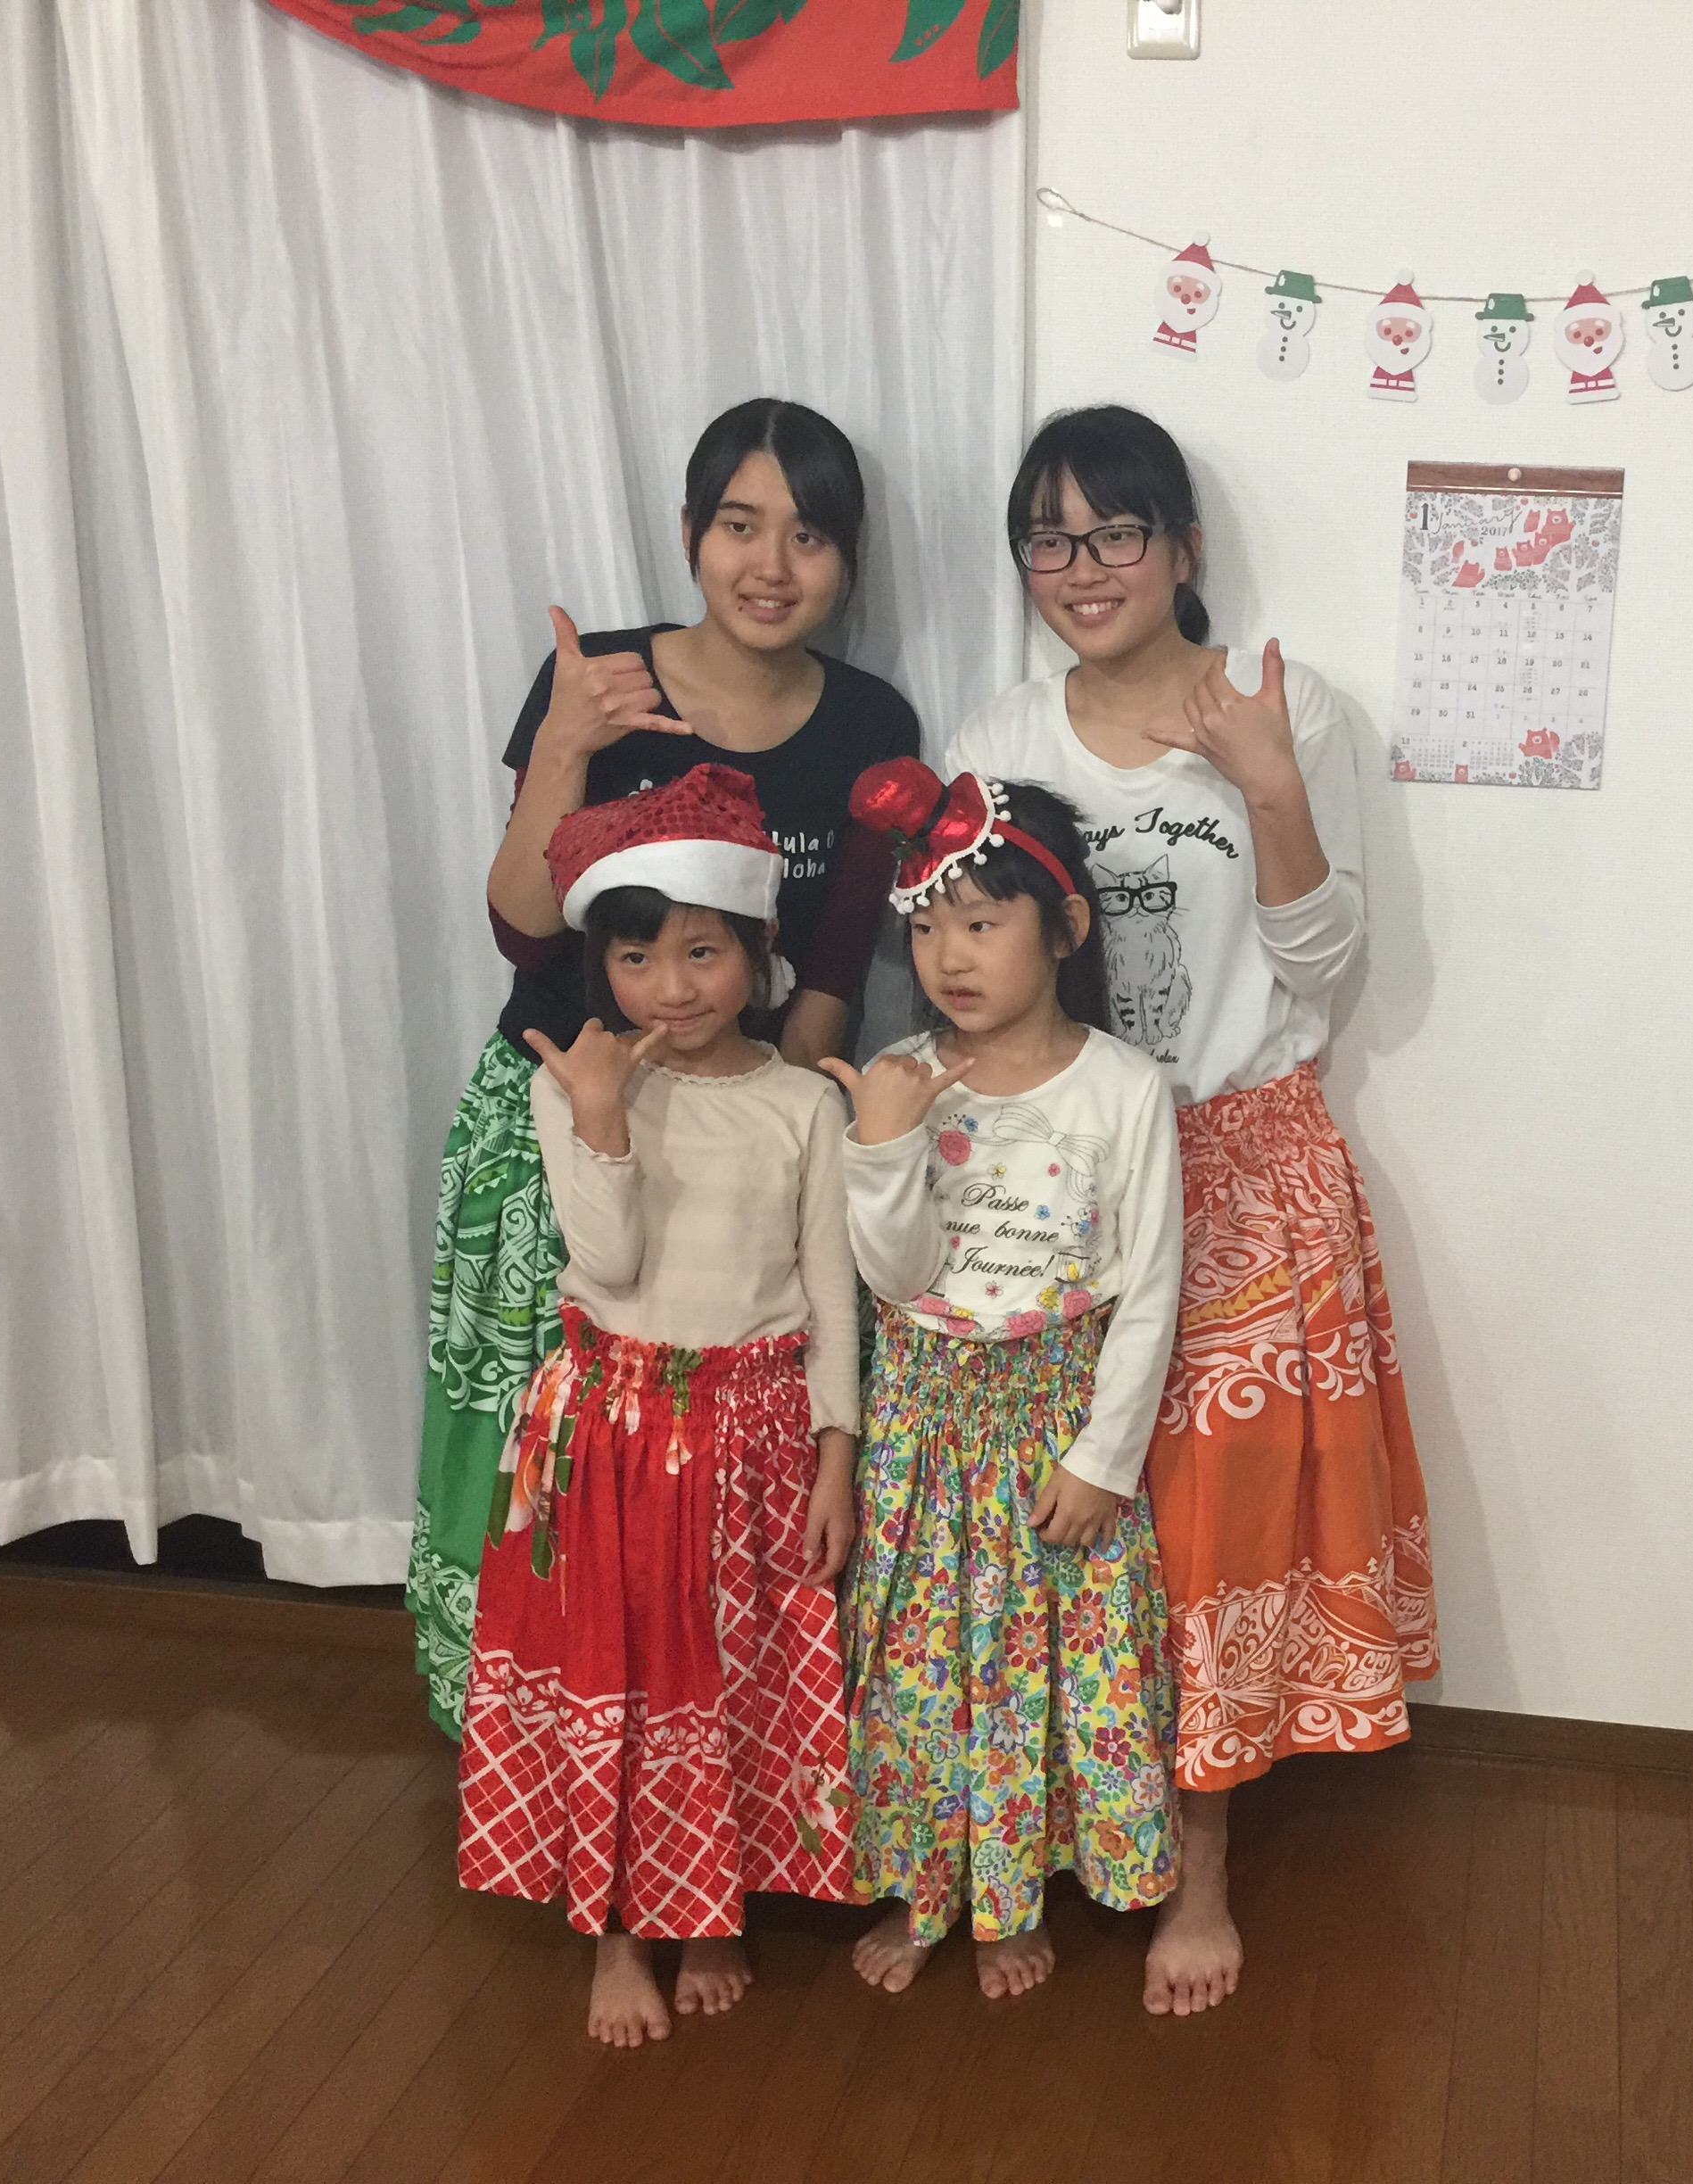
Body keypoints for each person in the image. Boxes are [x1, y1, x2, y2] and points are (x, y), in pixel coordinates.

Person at [950, 406, 1437, 2016]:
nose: (1082, 568)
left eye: (1117, 532)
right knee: (1046, 1518)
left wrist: (1270, 782)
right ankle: (1031, 1838)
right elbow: (961, 962)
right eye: (1050, 538)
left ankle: (1199, 1870)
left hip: (1240, 1158)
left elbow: (1327, 971)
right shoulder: (1000, 734)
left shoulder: (1288, 705)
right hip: (1051, 1166)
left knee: (1206, 1530)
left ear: (1184, 547)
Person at [411, 398, 917, 1739]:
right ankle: (523, 1737)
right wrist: (567, 743)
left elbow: (832, 969)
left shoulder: (871, 722)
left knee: (709, 1474)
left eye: (809, 536)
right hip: (567, 1102)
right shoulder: (603, 681)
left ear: (847, 557)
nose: (770, 565)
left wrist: (771, 1132)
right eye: (739, 525)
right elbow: (524, 928)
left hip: (750, 1134)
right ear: (690, 531)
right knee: (537, 1450)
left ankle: (705, 1749)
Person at [452, 765, 861, 2047]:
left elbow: (831, 1296)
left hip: (754, 1436)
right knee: (610, 1676)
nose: (672, 988)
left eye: (702, 952)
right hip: (607, 1433)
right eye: (636, 958)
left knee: (726, 1680)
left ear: (758, 947)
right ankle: (617, 1929)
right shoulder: (576, 1086)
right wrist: (600, 1120)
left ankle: (711, 1904)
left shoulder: (805, 1104)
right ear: (601, 965)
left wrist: (835, 1458)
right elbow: (611, 1262)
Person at [823, 759, 1183, 2001]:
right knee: (921, 1675)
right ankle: (926, 1886)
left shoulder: (1126, 1089)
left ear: (1063, 926)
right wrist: (884, 1145)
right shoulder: (901, 1074)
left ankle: (1015, 1893)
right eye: (925, 930)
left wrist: (1103, 1459)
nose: (949, 958)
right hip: (923, 1428)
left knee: (1049, 1677)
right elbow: (893, 1274)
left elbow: (1149, 1289)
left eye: (980, 924)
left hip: (1055, 1424)